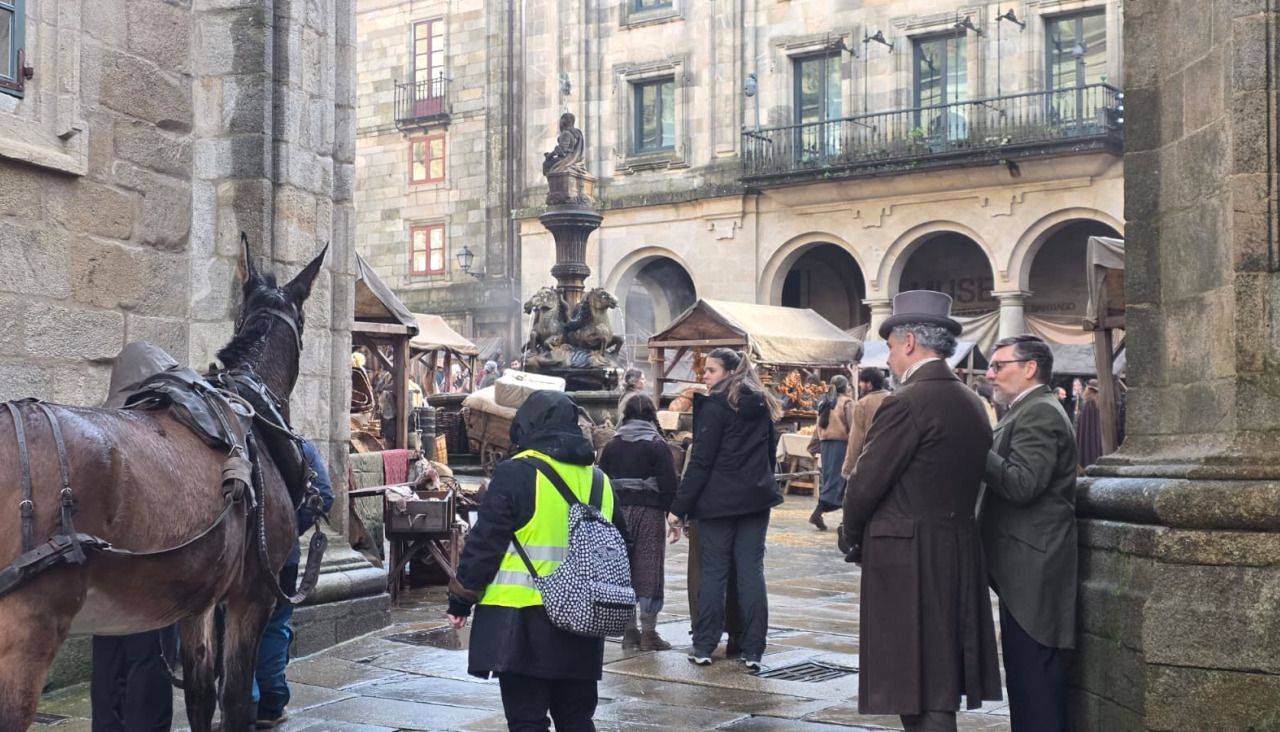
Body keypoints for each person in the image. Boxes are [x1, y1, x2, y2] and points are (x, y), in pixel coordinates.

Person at [840, 291, 1002, 732]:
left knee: (915, 679)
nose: (889, 357)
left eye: (891, 346)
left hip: (909, 554)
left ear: (909, 342)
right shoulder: (971, 401)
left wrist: (849, 534)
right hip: (954, 546)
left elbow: (866, 481)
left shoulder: (908, 401)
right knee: (937, 676)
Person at [446, 391, 626, 732]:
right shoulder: (600, 481)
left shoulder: (516, 473)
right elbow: (621, 545)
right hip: (583, 617)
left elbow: (486, 542)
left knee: (527, 719)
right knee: (576, 717)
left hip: (522, 618)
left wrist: (460, 599)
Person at [981, 334, 1079, 732]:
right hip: (1023, 565)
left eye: (999, 365)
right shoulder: (1026, 409)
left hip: (1034, 567)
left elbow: (1023, 484)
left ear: (1030, 367)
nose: (991, 374)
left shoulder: (1039, 412)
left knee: (1034, 682)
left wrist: (977, 447)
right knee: (1024, 679)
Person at [667, 348, 783, 670]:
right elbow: (769, 457)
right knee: (751, 573)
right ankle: (753, 649)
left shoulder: (716, 406)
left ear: (730, 372)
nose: (705, 375)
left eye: (711, 370)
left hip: (717, 502)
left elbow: (701, 462)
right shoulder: (762, 403)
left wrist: (678, 508)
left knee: (714, 573)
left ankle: (704, 645)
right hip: (756, 499)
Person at [91, 342, 182, 732]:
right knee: (147, 669)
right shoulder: (160, 445)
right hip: (149, 581)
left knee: (110, 667)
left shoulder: (95, 439)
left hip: (106, 581)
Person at [252, 438, 336, 728]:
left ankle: (244, 702)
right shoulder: (296, 445)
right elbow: (324, 494)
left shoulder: (224, 435)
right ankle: (270, 705)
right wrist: (288, 529)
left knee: (233, 625)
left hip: (236, 556)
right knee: (274, 625)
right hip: (281, 556)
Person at [598, 394, 680, 651]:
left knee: (622, 568)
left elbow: (600, 479)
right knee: (648, 569)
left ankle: (629, 631)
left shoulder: (612, 444)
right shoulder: (658, 445)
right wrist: (675, 517)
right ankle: (649, 633)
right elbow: (669, 485)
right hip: (649, 512)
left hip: (618, 512)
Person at [806, 375, 854, 531]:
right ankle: (845, 520)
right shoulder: (847, 403)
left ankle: (820, 512)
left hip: (827, 446)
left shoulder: (824, 403)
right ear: (845, 387)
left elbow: (818, 428)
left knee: (831, 481)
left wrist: (814, 445)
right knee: (843, 481)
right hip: (842, 446)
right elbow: (854, 427)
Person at [839, 368, 890, 485]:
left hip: (869, 460)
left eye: (861, 382)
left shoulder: (863, 404)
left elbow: (856, 438)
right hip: (891, 459)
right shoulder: (894, 399)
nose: (859, 385)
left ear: (869, 384)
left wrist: (848, 468)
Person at [1074, 380, 1103, 468]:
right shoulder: (1098, 404)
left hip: (1088, 436)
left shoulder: (1089, 405)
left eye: (1086, 387)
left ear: (1089, 390)